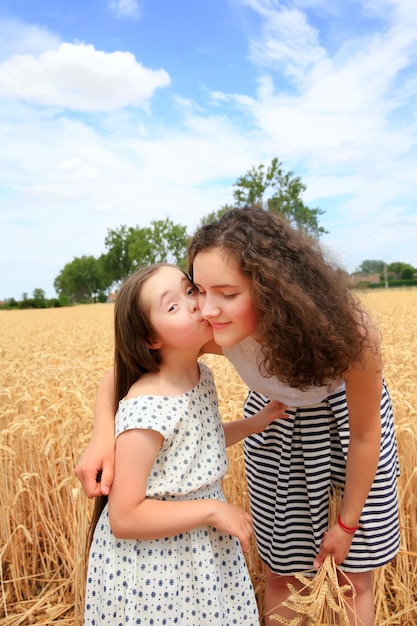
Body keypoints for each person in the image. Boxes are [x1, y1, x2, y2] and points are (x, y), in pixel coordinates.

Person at [76, 208, 400, 626]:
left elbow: (365, 434)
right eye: (197, 289)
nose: (207, 309)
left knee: (353, 580)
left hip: (347, 433)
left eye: (227, 293)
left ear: (271, 291)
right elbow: (127, 370)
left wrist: (347, 524)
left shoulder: (349, 335)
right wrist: (103, 435)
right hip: (276, 426)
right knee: (281, 572)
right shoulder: (215, 329)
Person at [80, 262, 288, 626]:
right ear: (151, 340)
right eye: (172, 305)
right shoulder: (148, 408)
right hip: (156, 565)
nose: (193, 304)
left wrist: (255, 423)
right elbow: (125, 517)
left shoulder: (199, 373)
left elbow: (198, 446)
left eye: (189, 291)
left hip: (198, 549)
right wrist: (211, 510)